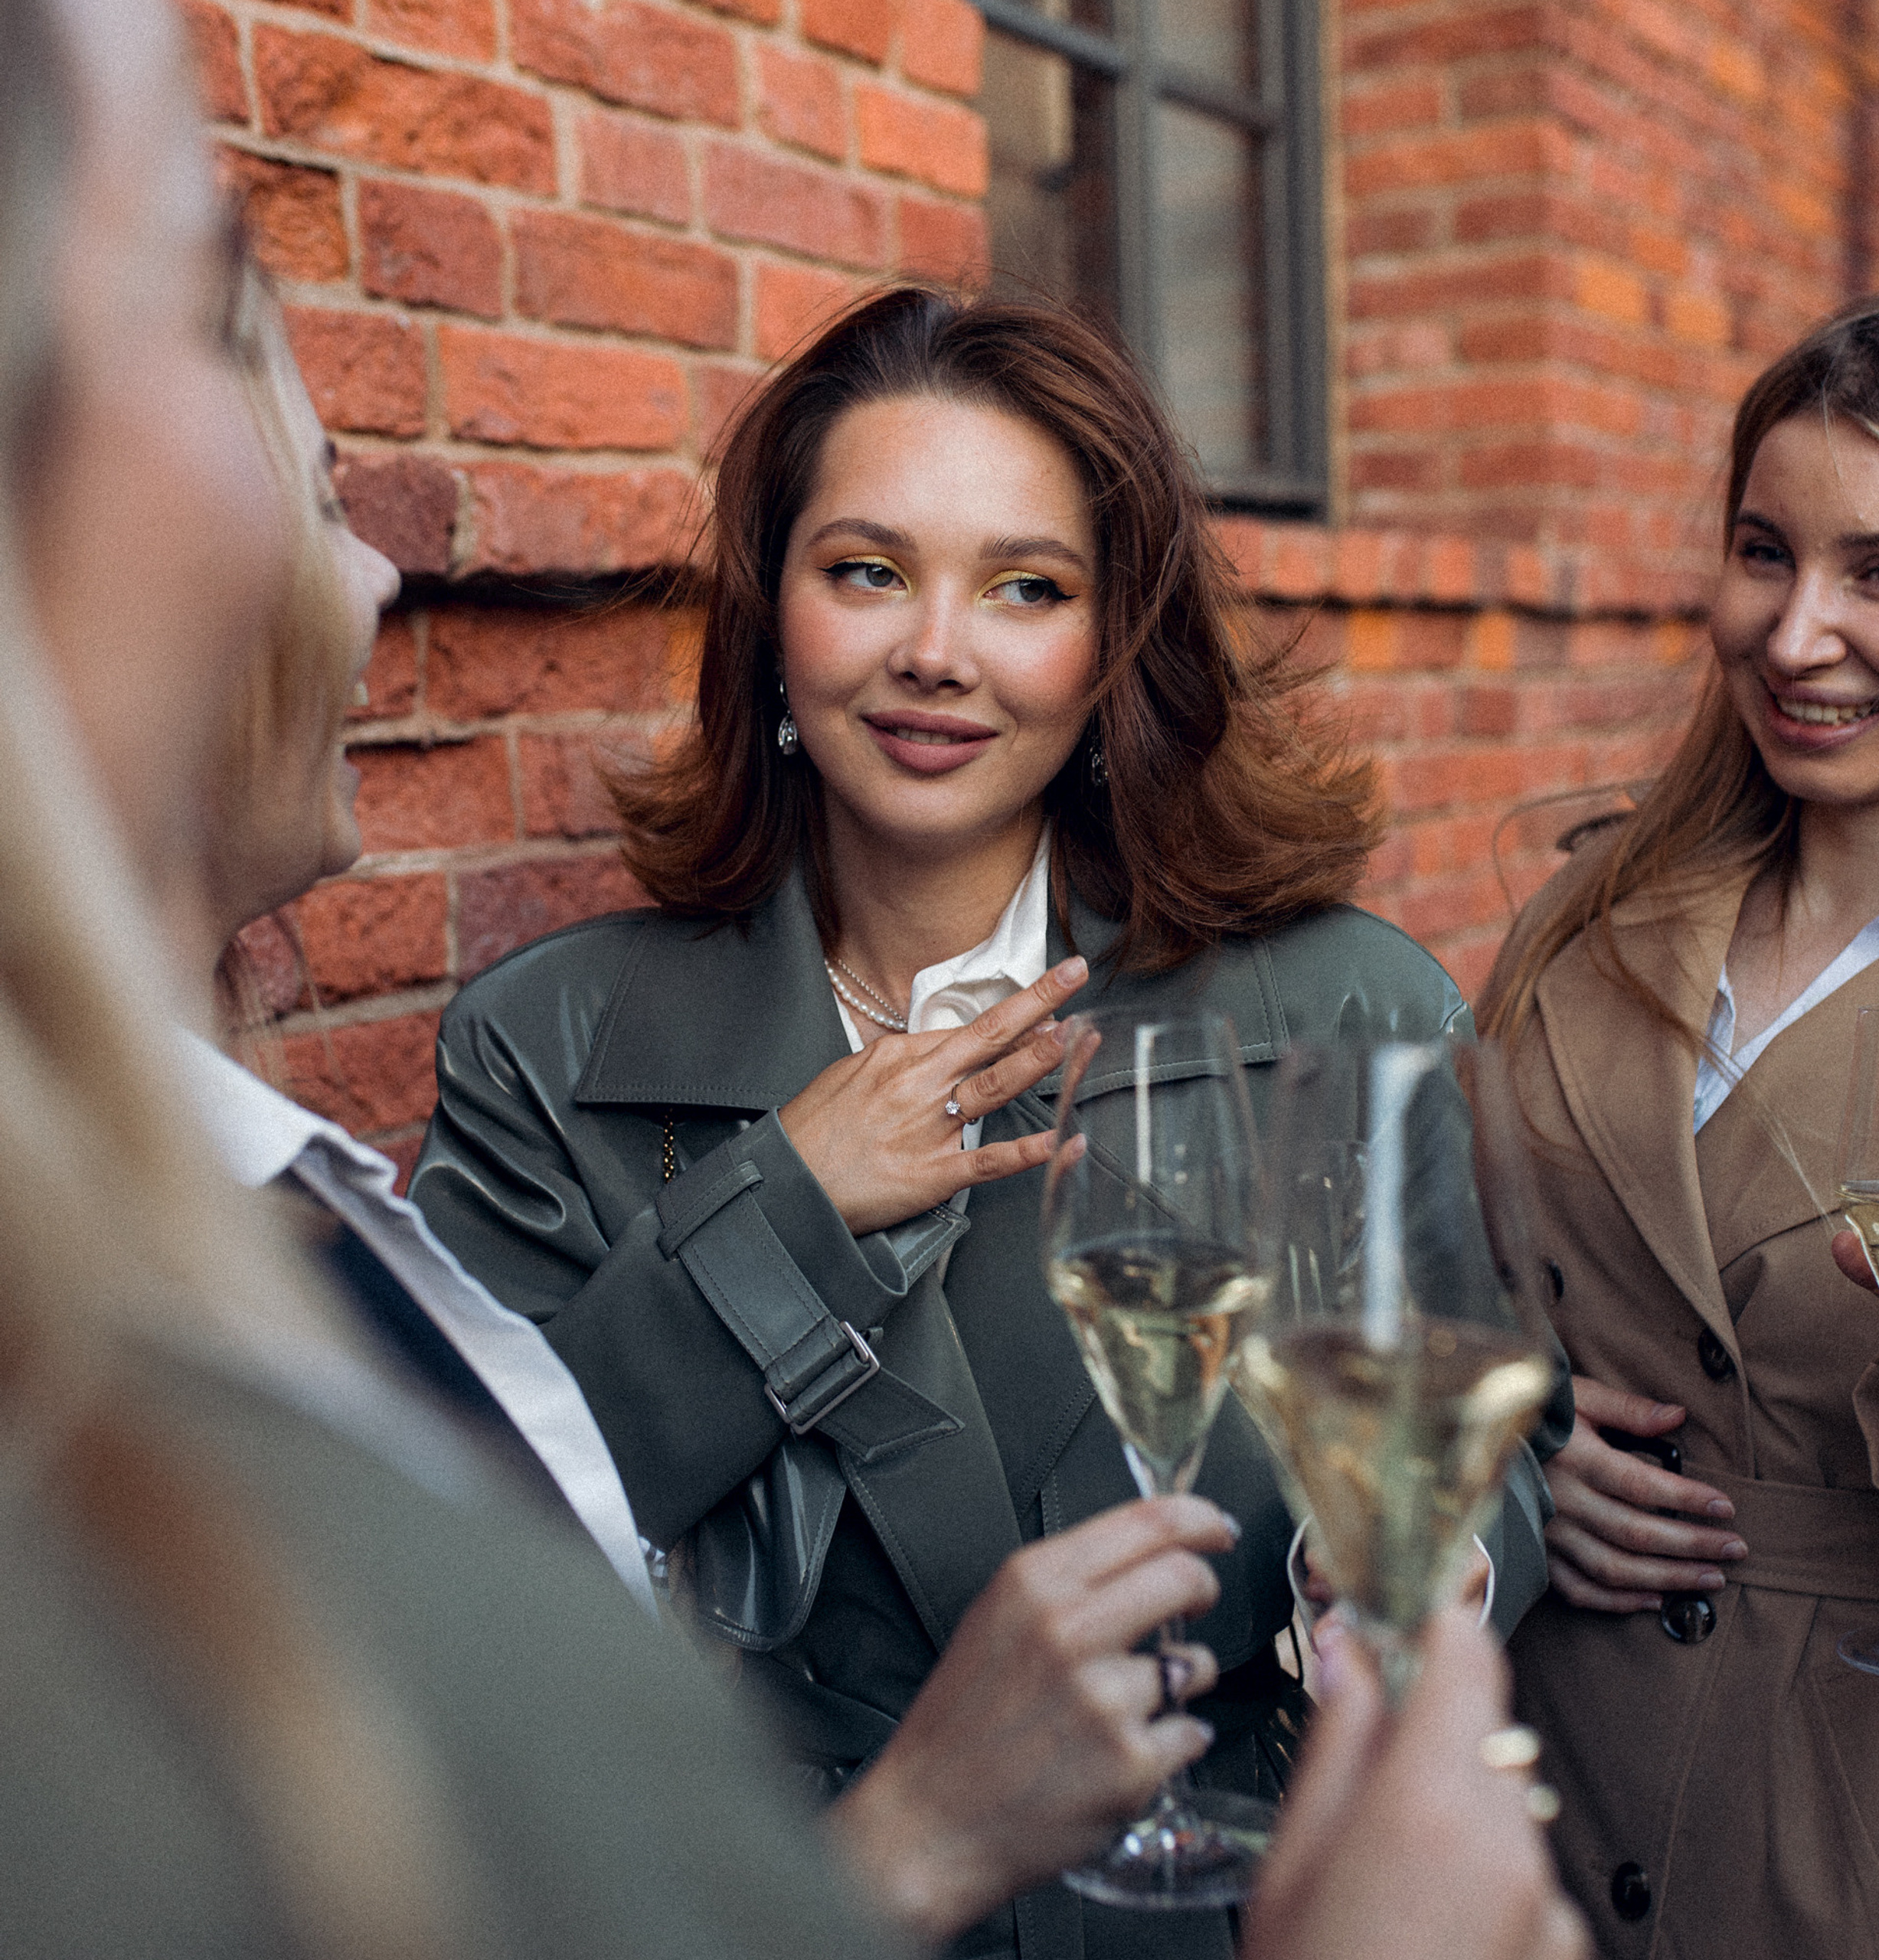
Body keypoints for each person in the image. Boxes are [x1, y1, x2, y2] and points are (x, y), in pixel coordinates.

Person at [409, 283, 1566, 1960]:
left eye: (1026, 587)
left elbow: (1496, 1431)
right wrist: (785, 1203)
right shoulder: (547, 1045)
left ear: (1110, 651)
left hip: (1252, 1896)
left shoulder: (1341, 1000)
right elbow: (478, 1569)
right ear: (769, 620)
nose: (934, 651)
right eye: (865, 569)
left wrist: (1424, 1573)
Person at [1479, 287, 1879, 1958]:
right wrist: (1519, 1459)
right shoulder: (1587, 908)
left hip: (1871, 1846)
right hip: (1524, 1819)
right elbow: (1446, 1297)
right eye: (1762, 550)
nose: (1790, 628)